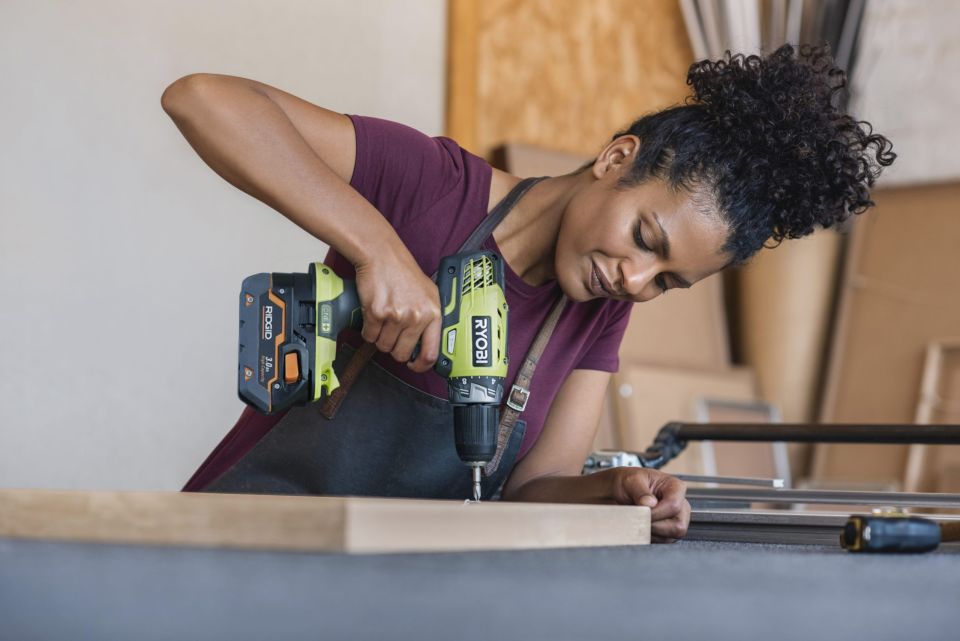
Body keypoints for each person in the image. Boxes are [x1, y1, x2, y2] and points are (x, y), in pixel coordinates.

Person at [161, 44, 894, 543]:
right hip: (241, 544)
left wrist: (619, 491)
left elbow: (533, 487)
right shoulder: (435, 187)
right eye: (646, 238)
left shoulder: (598, 314)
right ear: (617, 158)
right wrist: (379, 251)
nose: (636, 281)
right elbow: (203, 99)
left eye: (668, 281)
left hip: (389, 589)